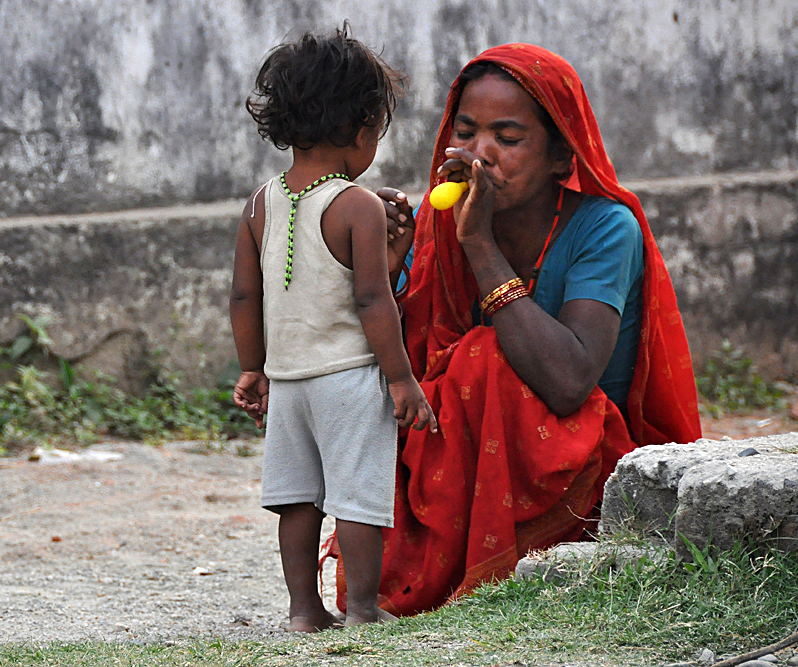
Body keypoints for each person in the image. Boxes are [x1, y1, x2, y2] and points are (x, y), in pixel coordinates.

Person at [325, 43, 703, 616]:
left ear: (559, 155)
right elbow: (404, 371)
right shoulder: (438, 218)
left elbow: (569, 380)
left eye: (507, 138)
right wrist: (393, 271)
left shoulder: (605, 228)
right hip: (458, 475)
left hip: (577, 471)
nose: (481, 154)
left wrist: (478, 245)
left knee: (484, 359)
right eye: (468, 132)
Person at [230, 26, 439, 632]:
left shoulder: (258, 203)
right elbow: (372, 299)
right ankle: (363, 609)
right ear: (361, 128)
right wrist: (401, 380)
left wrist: (253, 366)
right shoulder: (358, 205)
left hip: (290, 382)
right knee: (357, 500)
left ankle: (303, 610)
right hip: (349, 380)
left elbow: (247, 293)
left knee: (297, 499)